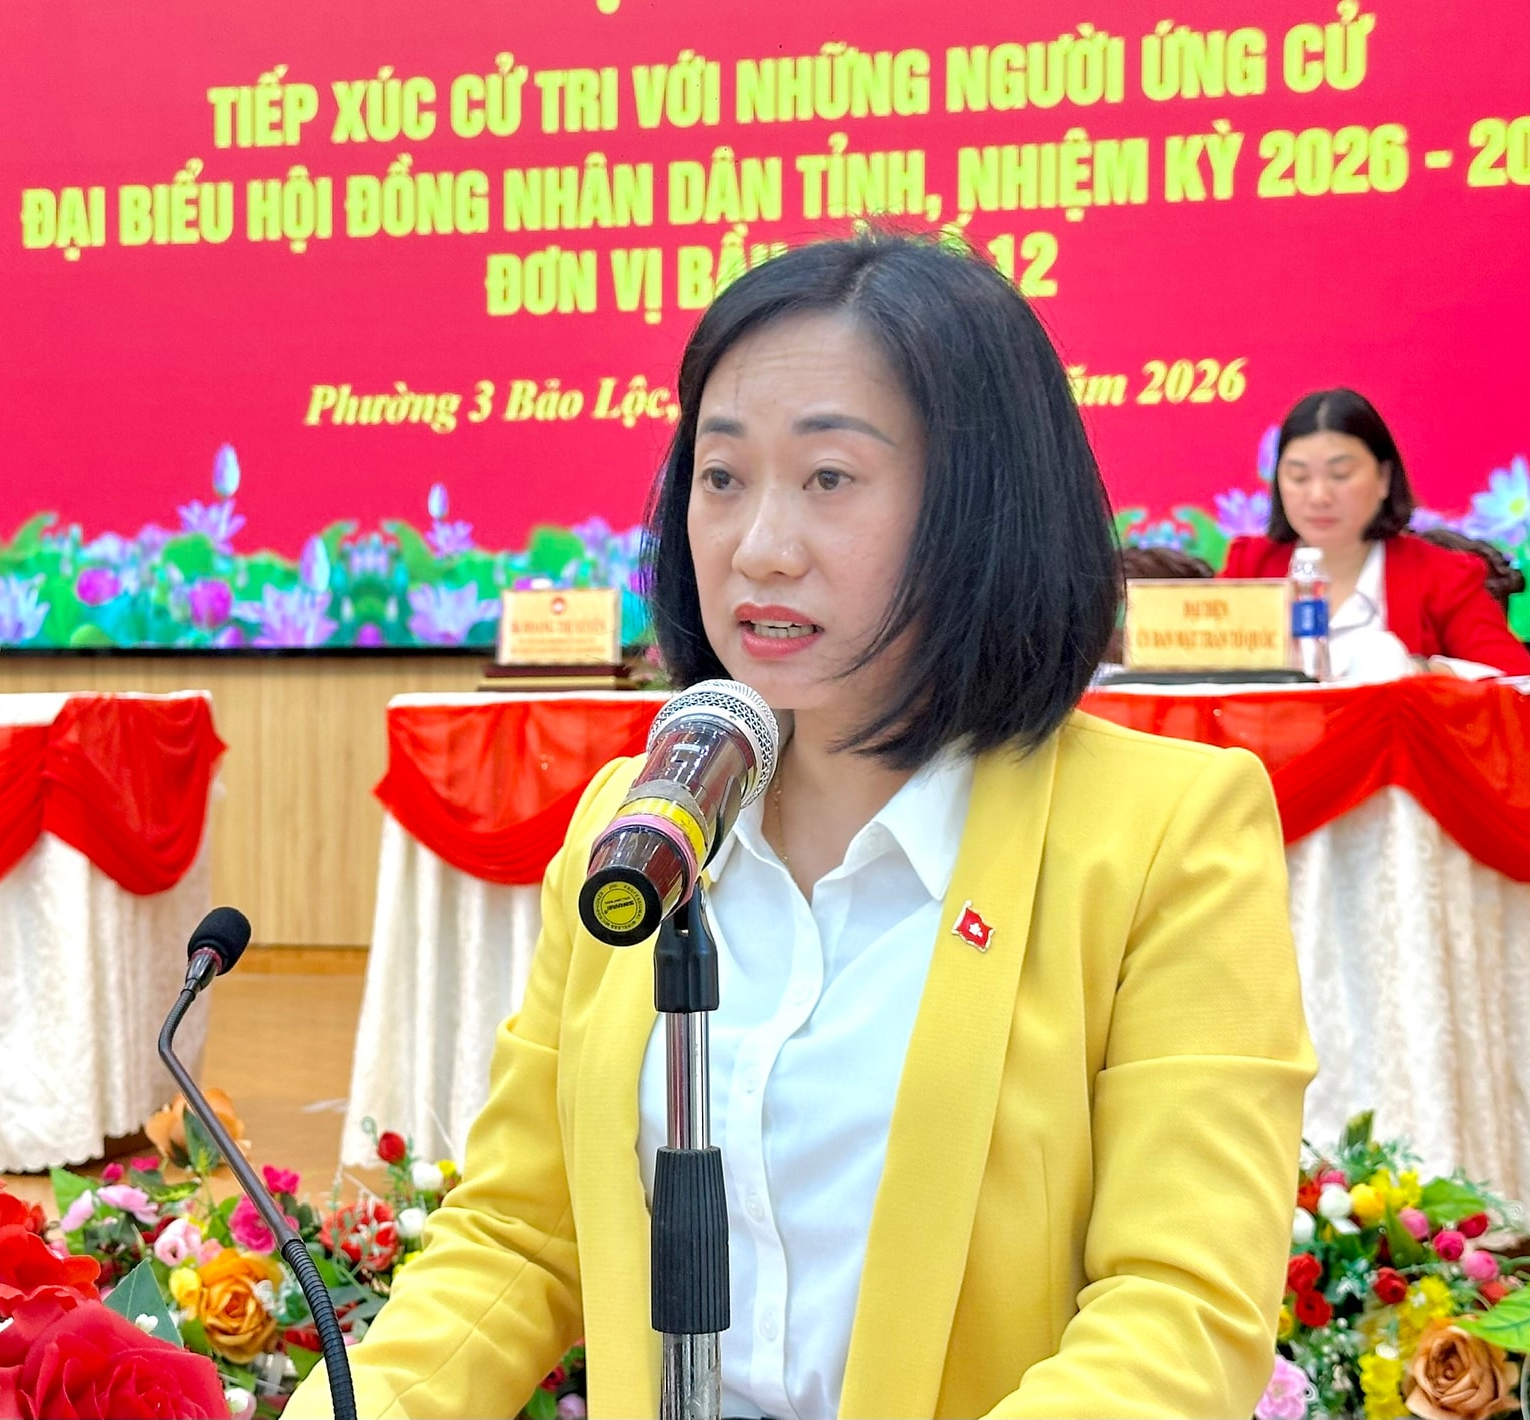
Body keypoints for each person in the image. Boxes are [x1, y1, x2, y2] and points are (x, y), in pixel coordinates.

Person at [290, 232, 1314, 1418]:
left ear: (982, 507)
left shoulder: (1164, 836)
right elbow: (521, 1236)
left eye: (829, 477)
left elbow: (1178, 1312)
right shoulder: (639, 831)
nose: (759, 548)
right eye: (722, 477)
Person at [1222, 388, 1530, 677]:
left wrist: (1423, 672)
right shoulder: (1248, 568)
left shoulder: (1442, 577)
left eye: (1340, 475)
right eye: (1299, 477)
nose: (1318, 496)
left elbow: (1516, 684)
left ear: (1384, 476)